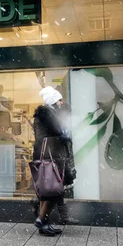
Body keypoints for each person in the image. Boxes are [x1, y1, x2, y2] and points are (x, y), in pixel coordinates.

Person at [31, 86, 76, 236]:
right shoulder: (45, 115)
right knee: (53, 190)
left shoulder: (51, 114)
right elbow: (42, 138)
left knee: (50, 189)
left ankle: (44, 221)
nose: (62, 102)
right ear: (52, 101)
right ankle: (41, 219)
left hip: (52, 157)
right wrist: (60, 138)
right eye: (59, 100)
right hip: (49, 158)